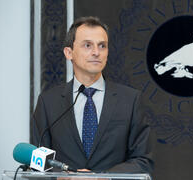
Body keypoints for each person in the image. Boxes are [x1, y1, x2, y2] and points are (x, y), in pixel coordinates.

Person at [31, 16, 154, 174]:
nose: (96, 52)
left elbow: (143, 161)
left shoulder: (130, 100)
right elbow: (37, 160)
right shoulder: (48, 102)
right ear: (69, 53)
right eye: (87, 45)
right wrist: (61, 176)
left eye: (102, 46)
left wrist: (103, 177)